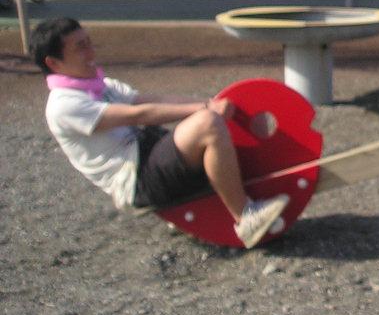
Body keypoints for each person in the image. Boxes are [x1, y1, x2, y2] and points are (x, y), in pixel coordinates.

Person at [30, 17, 289, 248]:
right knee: (208, 124)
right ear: (53, 62)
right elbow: (137, 115)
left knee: (229, 109)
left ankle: (262, 176)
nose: (91, 52)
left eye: (89, 42)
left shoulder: (100, 85)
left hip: (150, 151)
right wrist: (205, 110)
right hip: (137, 178)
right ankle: (246, 217)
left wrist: (211, 102)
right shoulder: (64, 105)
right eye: (80, 47)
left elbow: (148, 100)